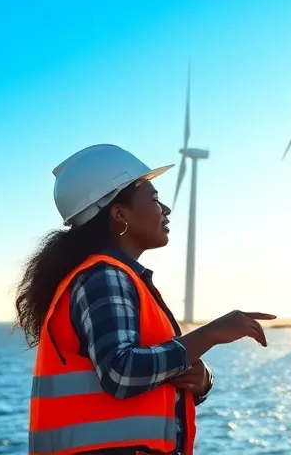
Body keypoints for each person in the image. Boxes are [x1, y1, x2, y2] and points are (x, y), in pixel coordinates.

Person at [16, 144, 275, 455]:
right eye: (154, 200)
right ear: (119, 214)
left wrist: (199, 380)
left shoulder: (118, 277)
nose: (165, 210)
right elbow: (121, 372)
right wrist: (212, 334)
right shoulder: (104, 277)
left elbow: (145, 372)